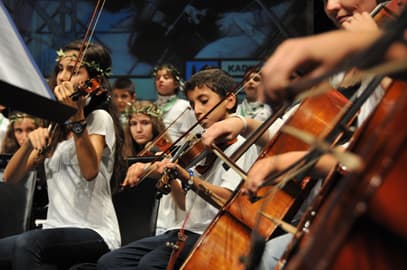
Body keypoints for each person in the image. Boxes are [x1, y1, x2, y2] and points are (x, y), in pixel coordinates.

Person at [97, 67, 258, 269]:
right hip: (182, 232)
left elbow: (228, 200)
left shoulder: (242, 145)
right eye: (192, 103)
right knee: (110, 262)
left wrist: (187, 177)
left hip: (212, 233)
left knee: (150, 265)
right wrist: (170, 175)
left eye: (204, 100)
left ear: (230, 100)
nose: (198, 110)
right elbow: (183, 204)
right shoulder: (200, 147)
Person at [0, 40, 125, 269]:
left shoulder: (98, 119)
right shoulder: (55, 127)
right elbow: (10, 177)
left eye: (74, 70)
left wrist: (77, 117)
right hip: (54, 230)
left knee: (27, 244)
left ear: (93, 80)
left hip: (95, 231)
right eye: (60, 69)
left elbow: (89, 171)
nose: (62, 77)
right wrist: (29, 143)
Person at [153, 63, 199, 142]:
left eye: (166, 77)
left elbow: (194, 135)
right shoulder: (151, 107)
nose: (160, 80)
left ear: (176, 84)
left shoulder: (186, 106)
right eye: (157, 78)